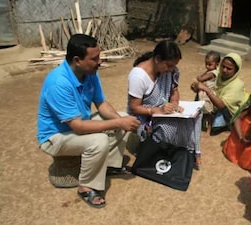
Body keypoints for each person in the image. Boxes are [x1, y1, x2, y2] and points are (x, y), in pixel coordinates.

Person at [37, 34, 140, 208]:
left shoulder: (89, 72)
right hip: (55, 137)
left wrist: (121, 120)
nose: (100, 61)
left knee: (120, 116)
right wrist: (118, 123)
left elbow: (101, 103)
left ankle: (111, 166)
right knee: (99, 139)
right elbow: (77, 127)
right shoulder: (58, 83)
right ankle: (86, 186)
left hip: (77, 125)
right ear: (77, 60)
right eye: (94, 58)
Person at [127, 40, 203, 169]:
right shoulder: (138, 76)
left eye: (173, 66)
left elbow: (174, 91)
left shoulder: (170, 72)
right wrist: (156, 111)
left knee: (196, 115)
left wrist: (174, 103)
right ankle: (172, 150)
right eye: (169, 65)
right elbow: (134, 107)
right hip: (146, 118)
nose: (171, 69)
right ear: (157, 59)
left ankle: (194, 151)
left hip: (165, 111)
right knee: (169, 129)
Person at [191, 52, 248, 136]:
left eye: (229, 69)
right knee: (201, 93)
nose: (224, 70)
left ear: (236, 70)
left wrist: (207, 90)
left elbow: (222, 105)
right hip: (215, 105)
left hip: (229, 112)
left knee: (215, 127)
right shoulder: (218, 75)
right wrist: (196, 87)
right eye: (223, 66)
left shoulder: (237, 85)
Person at [194, 50, 220, 132]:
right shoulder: (209, 71)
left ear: (217, 64)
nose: (207, 66)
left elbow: (201, 78)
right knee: (202, 111)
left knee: (209, 112)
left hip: (208, 95)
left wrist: (199, 78)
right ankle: (201, 126)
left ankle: (209, 128)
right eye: (206, 64)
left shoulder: (213, 73)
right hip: (202, 94)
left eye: (210, 64)